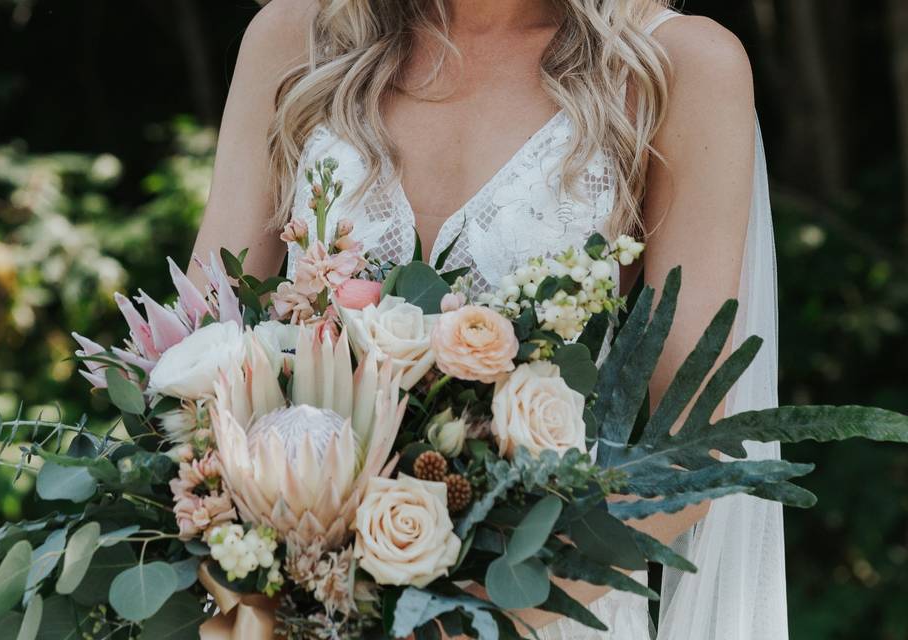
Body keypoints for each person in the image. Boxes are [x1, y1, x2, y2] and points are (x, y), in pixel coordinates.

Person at [190, 1, 785, 638]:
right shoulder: (298, 35)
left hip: (542, 607)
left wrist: (469, 610)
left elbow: (693, 443)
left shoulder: (678, 63)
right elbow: (197, 352)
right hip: (297, 610)